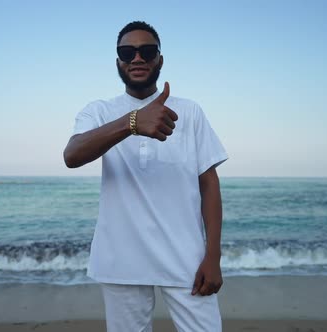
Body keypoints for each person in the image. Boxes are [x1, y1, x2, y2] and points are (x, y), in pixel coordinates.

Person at [63, 21, 228, 331]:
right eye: (127, 52)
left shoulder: (189, 112)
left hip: (187, 258)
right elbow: (72, 155)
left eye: (147, 51)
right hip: (120, 260)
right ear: (118, 62)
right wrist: (134, 122)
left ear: (160, 59)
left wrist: (213, 256)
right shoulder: (98, 111)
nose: (137, 58)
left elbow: (209, 184)